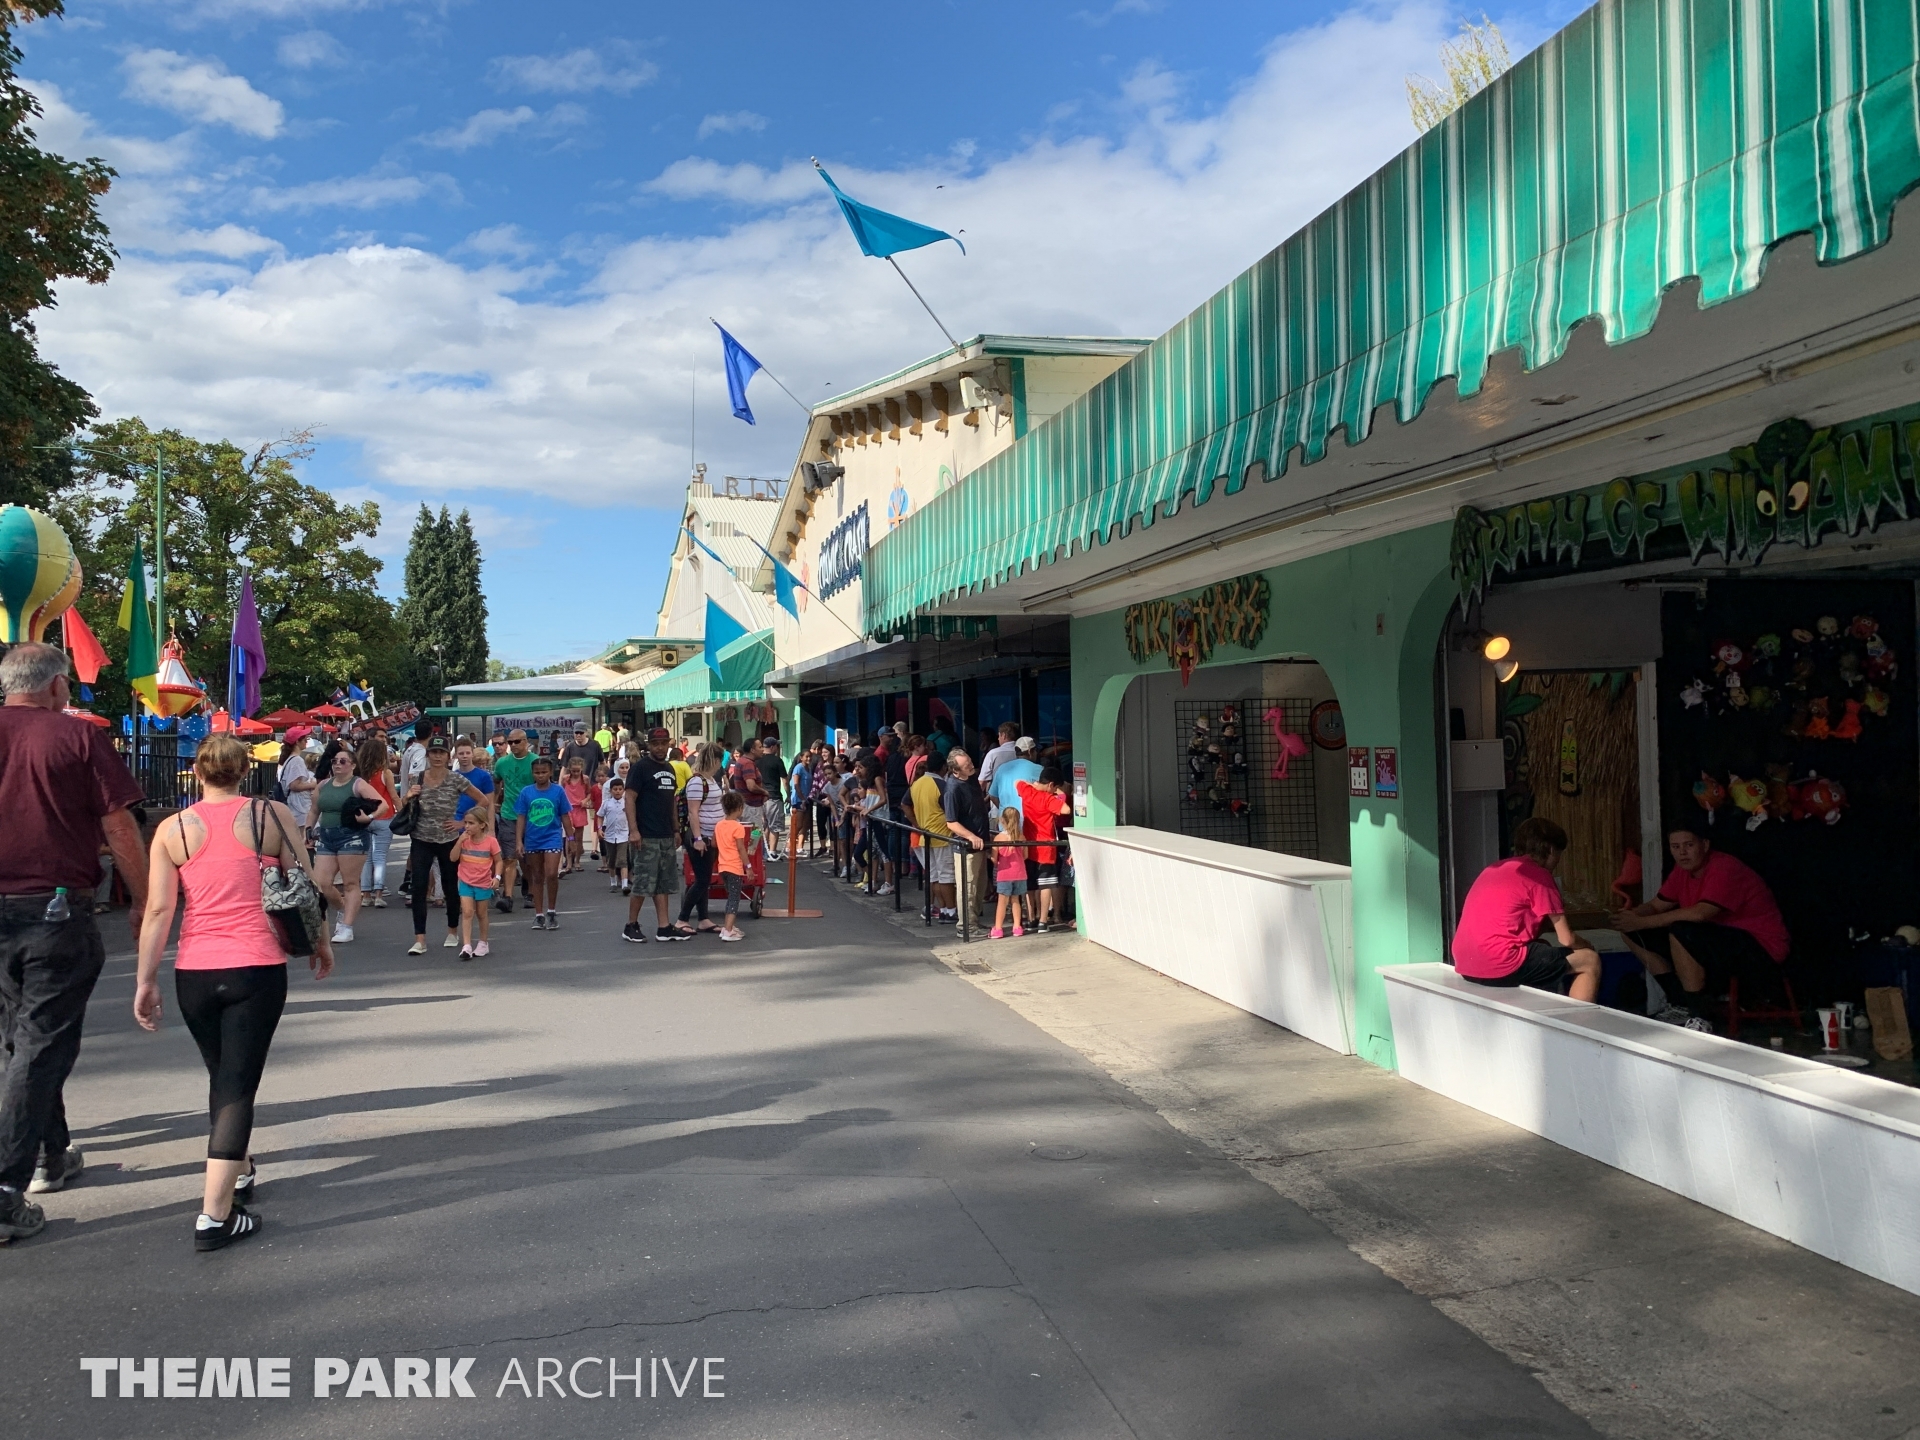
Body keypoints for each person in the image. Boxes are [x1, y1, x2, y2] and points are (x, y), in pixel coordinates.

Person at [134, 734, 340, 1251]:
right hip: (255, 967)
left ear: (198, 772)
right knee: (237, 1087)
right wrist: (320, 942)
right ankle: (215, 1216)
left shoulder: (172, 830)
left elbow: (159, 910)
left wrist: (145, 979)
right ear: (245, 771)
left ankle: (240, 1169)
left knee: (222, 1074)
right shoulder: (270, 816)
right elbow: (305, 884)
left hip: (194, 972)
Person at [0, 644, 149, 1242]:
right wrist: (145, 900)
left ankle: (49, 1152)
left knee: (21, 1038)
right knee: (40, 1041)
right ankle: (7, 1185)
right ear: (57, 687)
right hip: (53, 907)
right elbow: (119, 825)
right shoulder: (78, 738)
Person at [1610, 827, 1791, 1026]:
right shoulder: (1682, 870)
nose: (1682, 852)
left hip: (1761, 949)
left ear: (1704, 845)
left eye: (1689, 845)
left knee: (1682, 930)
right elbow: (1655, 906)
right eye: (1675, 847)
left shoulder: (1724, 867)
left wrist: (1642, 921)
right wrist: (1630, 917)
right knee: (1633, 931)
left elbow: (1701, 913)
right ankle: (1680, 1003)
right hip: (1717, 942)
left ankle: (1700, 1015)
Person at [1453, 816, 1602, 1001]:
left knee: (1543, 948)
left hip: (1465, 963)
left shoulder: (1494, 868)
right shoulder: (1539, 876)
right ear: (1550, 850)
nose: (1558, 862)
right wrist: (1587, 945)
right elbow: (1566, 939)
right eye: (1559, 855)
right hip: (1500, 964)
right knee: (1589, 960)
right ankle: (1580, 1019)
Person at [402, 735, 489, 954]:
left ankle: (452, 930)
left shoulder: (456, 779)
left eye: (441, 753)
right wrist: (408, 796)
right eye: (434, 752)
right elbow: (405, 805)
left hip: (447, 839)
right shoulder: (418, 777)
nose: (438, 756)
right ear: (428, 755)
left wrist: (462, 822)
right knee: (419, 887)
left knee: (450, 887)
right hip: (421, 838)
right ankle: (420, 939)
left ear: (448, 756)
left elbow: (483, 800)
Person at [308, 740, 388, 944]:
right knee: (322, 882)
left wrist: (369, 818)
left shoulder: (358, 784)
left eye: (343, 761)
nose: (337, 764)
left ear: (352, 765)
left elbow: (383, 805)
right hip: (326, 835)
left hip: (351, 836)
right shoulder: (323, 785)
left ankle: (347, 927)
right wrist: (307, 831)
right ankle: (343, 908)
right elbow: (314, 810)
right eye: (335, 761)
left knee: (350, 882)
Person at [623, 729, 687, 944]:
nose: (660, 747)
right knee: (643, 882)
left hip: (666, 834)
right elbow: (629, 798)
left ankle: (664, 927)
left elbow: (671, 802)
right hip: (646, 835)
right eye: (655, 743)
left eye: (663, 743)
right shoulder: (640, 768)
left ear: (669, 744)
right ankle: (631, 925)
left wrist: (676, 829)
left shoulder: (669, 768)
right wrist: (633, 830)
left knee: (663, 883)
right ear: (649, 745)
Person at [675, 744, 726, 935]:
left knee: (703, 878)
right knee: (703, 880)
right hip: (701, 836)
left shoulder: (709, 779)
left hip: (710, 836)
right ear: (715, 760)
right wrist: (698, 838)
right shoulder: (697, 782)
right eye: (720, 760)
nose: (721, 764)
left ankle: (703, 918)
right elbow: (693, 812)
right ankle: (682, 919)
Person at [515, 757, 571, 931]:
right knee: (537, 876)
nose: (540, 775)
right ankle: (539, 915)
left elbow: (565, 816)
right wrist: (519, 841)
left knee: (552, 873)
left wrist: (571, 839)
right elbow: (521, 817)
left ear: (550, 772)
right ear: (532, 773)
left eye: (544, 772)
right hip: (533, 839)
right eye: (537, 772)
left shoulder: (558, 791)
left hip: (552, 837)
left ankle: (551, 911)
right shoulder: (526, 792)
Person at [1016, 768, 1073, 932]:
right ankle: (1043, 921)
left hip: (1028, 846)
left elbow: (1017, 782)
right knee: (1045, 885)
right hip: (1046, 848)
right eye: (1055, 787)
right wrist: (1059, 794)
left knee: (1030, 885)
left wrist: (1033, 785)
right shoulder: (1048, 799)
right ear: (1051, 785)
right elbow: (1066, 810)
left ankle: (1031, 918)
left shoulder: (1027, 791)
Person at [942, 749, 992, 926]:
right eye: (966, 765)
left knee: (979, 885)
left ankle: (973, 921)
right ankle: (966, 925)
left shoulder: (971, 779)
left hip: (981, 842)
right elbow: (951, 822)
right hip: (967, 845)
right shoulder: (952, 789)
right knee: (967, 887)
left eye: (970, 761)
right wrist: (971, 836)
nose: (971, 766)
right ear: (956, 770)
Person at [491, 729, 535, 913]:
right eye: (511, 742)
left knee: (528, 858)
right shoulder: (502, 763)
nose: (513, 745)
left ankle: (530, 890)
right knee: (509, 857)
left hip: (532, 817)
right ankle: (507, 897)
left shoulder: (535, 761)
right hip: (509, 815)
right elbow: (496, 783)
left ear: (526, 741)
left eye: (517, 741)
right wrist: (493, 804)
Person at [909, 754, 955, 922]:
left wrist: (916, 824)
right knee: (946, 877)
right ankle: (951, 911)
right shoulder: (941, 784)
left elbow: (904, 804)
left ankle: (943, 909)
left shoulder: (916, 784)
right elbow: (951, 810)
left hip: (925, 836)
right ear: (943, 767)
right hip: (942, 835)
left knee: (935, 876)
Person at [450, 808, 501, 959]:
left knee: (481, 913)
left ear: (482, 825)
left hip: (483, 882)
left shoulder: (491, 842)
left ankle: (483, 943)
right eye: (465, 823)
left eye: (471, 823)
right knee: (467, 912)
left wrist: (497, 877)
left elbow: (498, 861)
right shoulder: (464, 840)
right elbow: (453, 858)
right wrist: (459, 841)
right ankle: (466, 945)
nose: (467, 826)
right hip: (465, 881)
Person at [356, 736, 397, 909]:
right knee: (380, 857)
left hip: (364, 818)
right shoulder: (385, 773)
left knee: (366, 858)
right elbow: (393, 796)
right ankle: (379, 894)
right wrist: (403, 813)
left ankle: (366, 894)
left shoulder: (358, 775)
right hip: (384, 816)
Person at [713, 792, 752, 942]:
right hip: (734, 867)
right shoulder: (737, 827)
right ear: (739, 808)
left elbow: (714, 843)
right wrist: (748, 866)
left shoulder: (719, 825)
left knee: (731, 897)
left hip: (723, 867)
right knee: (734, 899)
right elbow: (741, 849)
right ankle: (728, 930)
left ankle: (727, 927)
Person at [991, 807, 1030, 939]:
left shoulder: (999, 838)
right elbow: (1025, 856)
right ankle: (1017, 927)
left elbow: (994, 858)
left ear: (1002, 820)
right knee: (1016, 900)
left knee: (1002, 902)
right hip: (1019, 873)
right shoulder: (1022, 837)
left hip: (1004, 873)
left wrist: (994, 860)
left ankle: (998, 928)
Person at [988, 733, 1042, 814]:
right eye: (1035, 750)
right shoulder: (1039, 769)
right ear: (1030, 752)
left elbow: (993, 796)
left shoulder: (1002, 769)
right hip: (1028, 820)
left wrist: (1004, 812)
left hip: (1006, 820)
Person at [755, 738, 788, 860]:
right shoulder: (777, 760)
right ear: (773, 747)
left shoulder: (757, 761)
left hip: (760, 797)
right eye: (776, 746)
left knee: (764, 825)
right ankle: (772, 852)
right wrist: (788, 795)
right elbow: (785, 780)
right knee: (774, 826)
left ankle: (763, 851)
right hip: (773, 796)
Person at [276, 729, 316, 830]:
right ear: (297, 742)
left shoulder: (290, 759)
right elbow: (294, 785)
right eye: (304, 739)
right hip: (299, 807)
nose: (306, 741)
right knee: (303, 836)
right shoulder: (297, 760)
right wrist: (313, 785)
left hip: (295, 806)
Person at [599, 777, 631, 893]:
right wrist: (599, 828)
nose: (617, 791)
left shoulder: (626, 803)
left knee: (623, 860)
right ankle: (613, 882)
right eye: (615, 789)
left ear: (623, 790)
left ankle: (625, 884)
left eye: (620, 789)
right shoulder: (607, 803)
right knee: (611, 860)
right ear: (611, 791)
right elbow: (600, 816)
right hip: (610, 836)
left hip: (623, 835)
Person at [560, 756, 591, 875]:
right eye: (573, 771)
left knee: (578, 837)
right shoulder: (565, 779)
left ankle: (577, 860)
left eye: (578, 771)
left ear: (582, 769)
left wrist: (585, 800)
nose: (576, 773)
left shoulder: (585, 779)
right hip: (569, 810)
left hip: (580, 809)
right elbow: (562, 793)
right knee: (569, 837)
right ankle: (568, 862)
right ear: (569, 769)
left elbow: (589, 793)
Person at [978, 721, 1020, 796]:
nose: (998, 738)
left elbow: (982, 781)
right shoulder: (1023, 752)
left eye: (999, 735)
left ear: (1003, 735)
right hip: (1020, 795)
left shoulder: (993, 753)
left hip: (998, 797)